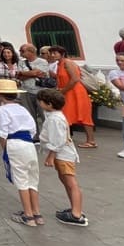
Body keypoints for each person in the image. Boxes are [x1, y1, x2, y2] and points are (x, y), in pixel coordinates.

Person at [0, 78, 41, 226]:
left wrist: (5, 150)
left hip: (14, 144)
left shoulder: (1, 110)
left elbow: (2, 132)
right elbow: (32, 129)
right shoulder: (22, 109)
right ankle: (36, 212)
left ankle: (28, 215)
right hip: (29, 144)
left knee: (21, 179)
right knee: (32, 178)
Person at [38, 89, 87, 227]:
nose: (40, 103)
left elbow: (58, 140)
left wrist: (51, 156)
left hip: (63, 154)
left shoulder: (55, 119)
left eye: (41, 101)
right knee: (66, 181)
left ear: (49, 104)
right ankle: (74, 209)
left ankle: (76, 213)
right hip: (63, 153)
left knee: (71, 182)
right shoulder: (55, 116)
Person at [48, 46, 96, 148]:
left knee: (83, 115)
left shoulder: (67, 62)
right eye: (51, 53)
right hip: (67, 91)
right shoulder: (59, 64)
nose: (52, 55)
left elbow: (75, 79)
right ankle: (65, 139)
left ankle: (91, 140)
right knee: (66, 115)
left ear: (62, 53)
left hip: (75, 92)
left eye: (55, 53)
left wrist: (62, 91)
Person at [16, 44, 50, 135]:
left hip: (40, 92)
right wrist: (31, 73)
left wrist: (23, 73)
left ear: (31, 51)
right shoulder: (21, 62)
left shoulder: (42, 62)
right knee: (30, 115)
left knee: (44, 115)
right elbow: (19, 77)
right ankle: (35, 136)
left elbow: (38, 73)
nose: (20, 53)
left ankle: (48, 135)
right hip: (26, 91)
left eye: (22, 51)